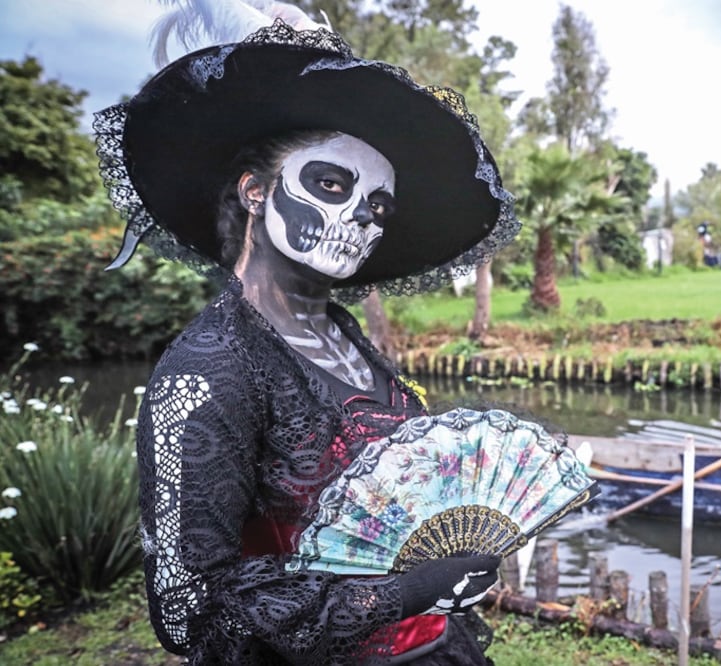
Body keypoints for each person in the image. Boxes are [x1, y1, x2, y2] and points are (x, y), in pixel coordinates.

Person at [94, 18, 519, 666]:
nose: (361, 220)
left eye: (379, 207)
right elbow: (189, 611)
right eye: (330, 185)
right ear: (256, 192)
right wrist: (403, 593)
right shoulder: (207, 371)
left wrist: (442, 562)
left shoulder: (343, 336)